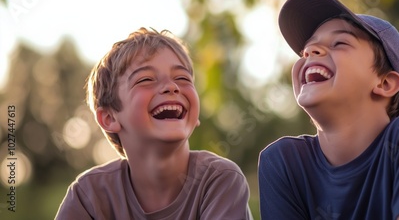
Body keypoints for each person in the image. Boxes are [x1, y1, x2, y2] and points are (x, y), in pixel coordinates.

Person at [258, 0, 399, 220]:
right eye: (306, 50)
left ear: (385, 83)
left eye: (340, 42)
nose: (310, 52)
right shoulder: (284, 162)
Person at [56, 28, 252, 220]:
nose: (171, 86)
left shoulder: (219, 180)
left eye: (182, 78)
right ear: (110, 118)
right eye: (146, 79)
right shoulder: (89, 196)